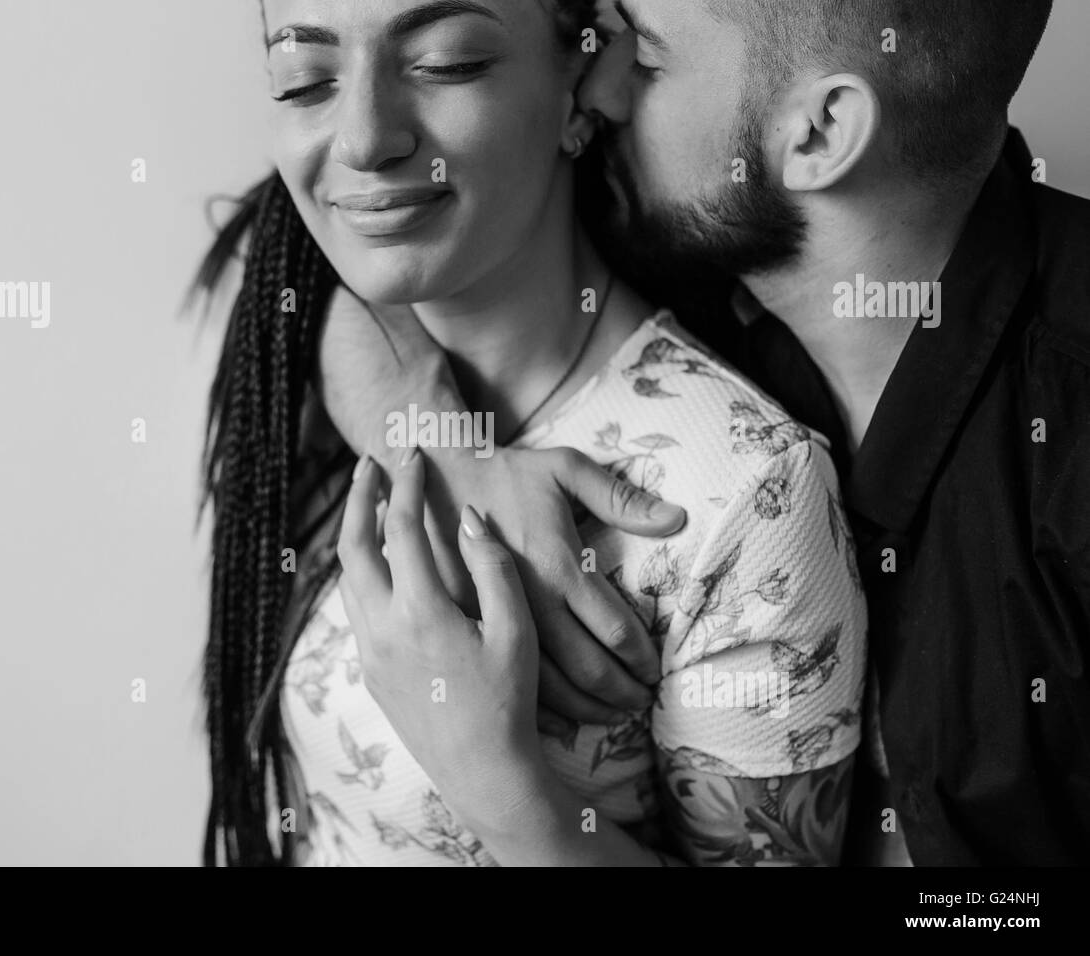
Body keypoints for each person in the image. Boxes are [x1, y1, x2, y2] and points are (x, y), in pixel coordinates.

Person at [322, 0, 1090, 866]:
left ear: (820, 132)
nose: (597, 91)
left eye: (645, 59)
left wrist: (497, 786)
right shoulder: (677, 231)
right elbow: (347, 246)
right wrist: (453, 453)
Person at [194, 0, 866, 866]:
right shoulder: (295, 340)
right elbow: (263, 231)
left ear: (582, 85)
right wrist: (444, 448)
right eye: (305, 81)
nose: (362, 141)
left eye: (444, 64)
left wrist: (495, 779)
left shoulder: (743, 493)